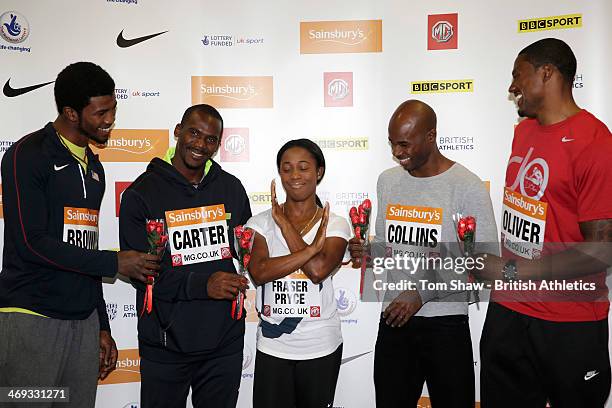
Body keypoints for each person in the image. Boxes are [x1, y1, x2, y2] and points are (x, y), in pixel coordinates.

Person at [0, 62, 159, 407]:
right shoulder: (27, 155)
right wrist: (114, 262)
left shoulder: (94, 166)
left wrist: (101, 322)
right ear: (71, 112)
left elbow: (84, 246)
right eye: (101, 112)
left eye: (113, 109)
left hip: (82, 323)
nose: (109, 119)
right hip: (33, 318)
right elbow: (31, 243)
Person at [473, 38, 612, 407]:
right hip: (509, 311)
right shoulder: (524, 131)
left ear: (546, 73)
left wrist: (514, 270)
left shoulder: (595, 142)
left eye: (517, 75)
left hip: (569, 320)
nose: (512, 87)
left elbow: (600, 252)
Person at [349, 100, 498, 407]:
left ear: (431, 136)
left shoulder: (466, 186)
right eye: (392, 144)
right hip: (393, 322)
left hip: (445, 327)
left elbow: (482, 263)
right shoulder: (387, 181)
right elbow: (386, 248)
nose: (397, 152)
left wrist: (421, 292)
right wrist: (367, 251)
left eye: (404, 144)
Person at [118, 104, 251, 408]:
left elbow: (247, 254)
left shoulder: (231, 188)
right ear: (178, 132)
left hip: (224, 343)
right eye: (194, 133)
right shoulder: (141, 194)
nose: (200, 144)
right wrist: (202, 285)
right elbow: (142, 275)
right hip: (166, 345)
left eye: (210, 139)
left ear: (218, 145)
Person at [246, 139, 351, 408]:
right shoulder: (258, 223)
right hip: (273, 346)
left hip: (320, 345)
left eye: (303, 168)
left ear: (319, 172)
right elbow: (259, 271)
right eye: (286, 168)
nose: (294, 176)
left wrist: (284, 224)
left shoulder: (336, 223)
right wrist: (311, 249)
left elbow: (318, 271)